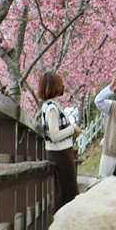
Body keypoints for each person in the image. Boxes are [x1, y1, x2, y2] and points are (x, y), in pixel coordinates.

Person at [38, 71, 82, 212]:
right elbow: (55, 135)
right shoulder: (52, 108)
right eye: (60, 84)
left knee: (65, 192)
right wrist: (72, 129)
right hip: (60, 153)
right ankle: (64, 222)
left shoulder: (50, 106)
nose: (63, 86)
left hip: (61, 152)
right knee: (68, 193)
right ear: (55, 86)